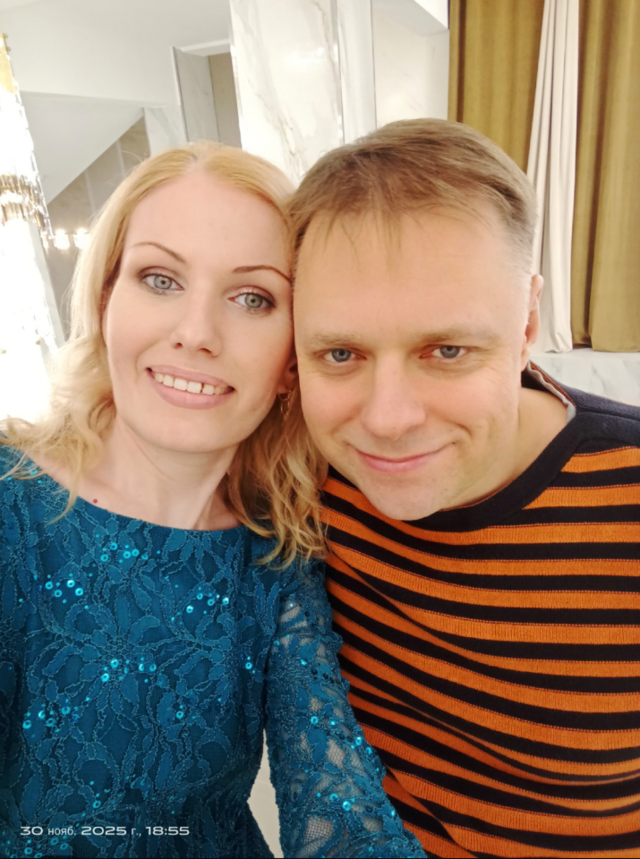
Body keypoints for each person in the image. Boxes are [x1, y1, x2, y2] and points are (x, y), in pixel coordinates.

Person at [0, 143, 427, 859]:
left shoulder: (276, 556)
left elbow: (337, 805)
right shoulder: (13, 510)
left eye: (253, 298)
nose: (196, 333)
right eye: (159, 279)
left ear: (294, 358)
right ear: (105, 303)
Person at [287, 119, 640, 858]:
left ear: (528, 322)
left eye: (446, 350)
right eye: (340, 354)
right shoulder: (299, 476)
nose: (386, 421)